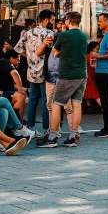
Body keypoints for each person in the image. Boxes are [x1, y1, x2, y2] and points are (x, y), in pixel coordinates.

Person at [37, 11, 88, 147]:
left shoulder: (64, 35)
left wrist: (61, 51)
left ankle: (52, 137)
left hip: (67, 75)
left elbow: (55, 52)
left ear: (68, 20)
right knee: (76, 104)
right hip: (82, 74)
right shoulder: (83, 36)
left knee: (56, 104)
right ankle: (73, 135)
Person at [23, 10, 55, 135]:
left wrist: (30, 58)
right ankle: (47, 128)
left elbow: (18, 48)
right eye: (52, 20)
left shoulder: (28, 32)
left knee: (32, 99)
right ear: (46, 20)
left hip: (31, 70)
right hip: (45, 70)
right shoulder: (49, 33)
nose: (52, 22)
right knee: (46, 100)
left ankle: (30, 128)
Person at [91, 13, 108, 137]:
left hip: (106, 72)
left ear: (107, 22)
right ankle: (107, 127)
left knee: (106, 100)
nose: (99, 23)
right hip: (102, 71)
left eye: (100, 21)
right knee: (104, 99)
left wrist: (98, 56)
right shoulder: (106, 36)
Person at [0, 49, 28, 121]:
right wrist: (20, 90)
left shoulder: (4, 66)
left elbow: (9, 84)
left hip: (3, 91)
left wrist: (24, 89)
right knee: (21, 97)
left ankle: (17, 123)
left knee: (22, 95)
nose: (19, 62)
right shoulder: (4, 62)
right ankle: (19, 125)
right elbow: (14, 73)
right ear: (12, 58)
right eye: (18, 60)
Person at [83, 41, 102, 111]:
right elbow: (96, 67)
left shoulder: (86, 56)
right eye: (97, 49)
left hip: (86, 79)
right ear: (92, 49)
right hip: (89, 79)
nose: (99, 51)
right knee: (96, 95)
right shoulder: (92, 56)